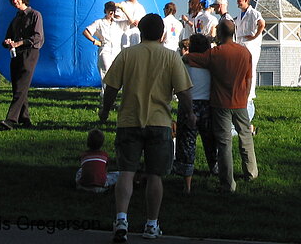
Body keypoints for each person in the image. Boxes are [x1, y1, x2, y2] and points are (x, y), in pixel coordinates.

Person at [99, 14, 194, 242]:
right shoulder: (171, 57)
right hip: (160, 123)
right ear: (163, 34)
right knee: (155, 176)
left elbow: (111, 87)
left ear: (140, 32)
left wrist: (105, 110)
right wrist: (189, 114)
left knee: (126, 173)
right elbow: (184, 92)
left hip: (129, 121)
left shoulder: (127, 55)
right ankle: (152, 224)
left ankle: (121, 219)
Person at [185, 19, 258, 193]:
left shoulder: (215, 53)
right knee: (245, 136)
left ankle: (227, 183)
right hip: (240, 102)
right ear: (233, 32)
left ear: (219, 33)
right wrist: (245, 97)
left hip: (220, 103)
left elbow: (195, 59)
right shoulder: (245, 52)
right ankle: (251, 172)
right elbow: (248, 79)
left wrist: (185, 56)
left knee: (224, 143)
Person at [172, 33, 217, 193]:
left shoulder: (185, 64)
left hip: (188, 105)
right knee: (211, 141)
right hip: (207, 105)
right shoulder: (211, 64)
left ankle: (187, 184)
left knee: (186, 143)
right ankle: (215, 169)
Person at [0, 0, 44, 130]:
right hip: (16, 54)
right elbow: (7, 37)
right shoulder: (16, 19)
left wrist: (20, 42)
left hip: (30, 53)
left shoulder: (35, 15)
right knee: (18, 87)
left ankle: (11, 120)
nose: (15, 1)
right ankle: (25, 119)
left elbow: (38, 37)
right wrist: (8, 43)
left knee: (21, 86)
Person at [83, 1, 126, 96]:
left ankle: (110, 97)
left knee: (115, 75)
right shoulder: (99, 22)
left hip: (116, 51)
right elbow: (86, 31)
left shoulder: (118, 23)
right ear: (105, 10)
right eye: (109, 10)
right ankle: (105, 96)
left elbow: (132, 22)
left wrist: (123, 9)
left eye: (113, 11)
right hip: (105, 50)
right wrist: (95, 41)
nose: (111, 13)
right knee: (106, 72)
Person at [234, 0, 265, 102]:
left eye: (239, 0)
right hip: (240, 42)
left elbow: (262, 24)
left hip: (251, 44)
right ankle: (242, 90)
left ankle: (250, 93)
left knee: (251, 68)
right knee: (241, 68)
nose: (238, 2)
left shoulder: (254, 13)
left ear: (246, 0)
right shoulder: (239, 16)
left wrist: (255, 36)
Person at [75, 128, 119, 193]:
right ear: (102, 143)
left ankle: (81, 184)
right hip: (101, 186)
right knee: (118, 174)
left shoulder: (84, 155)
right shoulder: (104, 155)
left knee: (80, 170)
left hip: (84, 185)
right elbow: (105, 170)